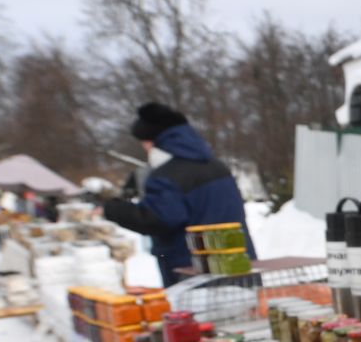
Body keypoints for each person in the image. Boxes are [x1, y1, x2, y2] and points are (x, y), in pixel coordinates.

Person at [101, 103, 251, 286]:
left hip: (193, 272)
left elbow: (158, 219)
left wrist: (113, 209)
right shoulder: (217, 166)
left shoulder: (167, 175)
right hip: (237, 264)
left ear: (152, 141)